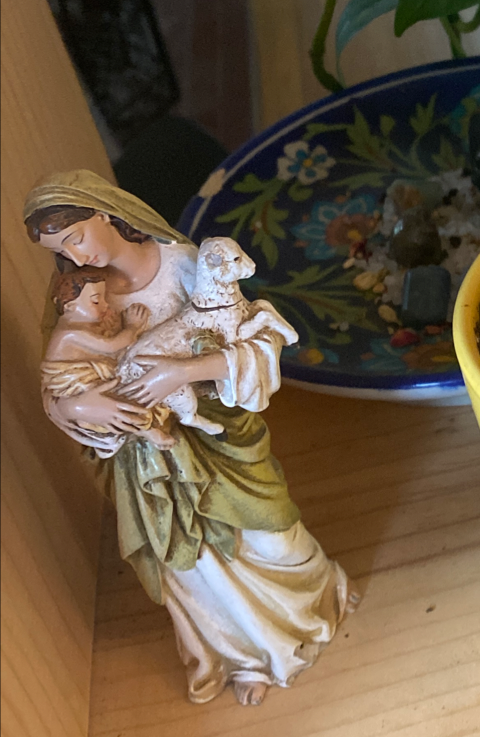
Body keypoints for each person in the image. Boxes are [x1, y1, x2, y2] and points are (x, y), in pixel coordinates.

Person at [24, 169, 358, 707]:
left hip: (220, 436)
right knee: (196, 567)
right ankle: (246, 658)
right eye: (59, 251)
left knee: (273, 536)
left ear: (105, 212)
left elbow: (253, 342)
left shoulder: (182, 263)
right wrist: (79, 406)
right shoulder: (75, 293)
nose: (75, 257)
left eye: (76, 238)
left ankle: (314, 608)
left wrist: (182, 373)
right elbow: (57, 382)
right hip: (146, 460)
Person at [42, 267, 175, 452]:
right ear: (69, 306)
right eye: (96, 301)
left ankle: (147, 426)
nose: (105, 305)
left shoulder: (83, 324)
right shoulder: (71, 333)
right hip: (75, 382)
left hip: (87, 378)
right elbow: (112, 346)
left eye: (104, 299)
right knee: (121, 398)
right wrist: (132, 327)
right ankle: (147, 430)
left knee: (125, 392)